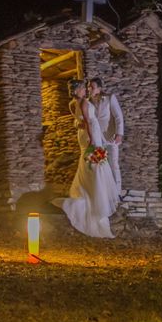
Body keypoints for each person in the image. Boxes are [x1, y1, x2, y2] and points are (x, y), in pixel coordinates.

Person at [53, 79, 119, 238]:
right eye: (83, 88)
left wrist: (82, 126)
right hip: (91, 135)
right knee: (94, 161)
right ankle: (93, 193)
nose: (85, 91)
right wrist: (91, 138)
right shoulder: (82, 102)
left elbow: (79, 119)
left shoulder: (73, 103)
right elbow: (87, 121)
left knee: (93, 162)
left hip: (91, 132)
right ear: (77, 91)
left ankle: (93, 191)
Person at [87, 77, 124, 194]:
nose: (89, 89)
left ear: (99, 88)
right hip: (96, 139)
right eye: (88, 87)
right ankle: (103, 193)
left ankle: (117, 193)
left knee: (113, 164)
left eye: (92, 87)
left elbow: (118, 116)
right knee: (99, 165)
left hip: (110, 137)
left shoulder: (109, 98)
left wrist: (119, 134)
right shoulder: (87, 102)